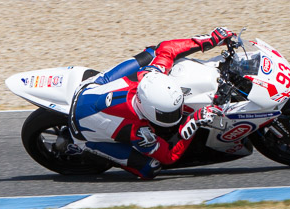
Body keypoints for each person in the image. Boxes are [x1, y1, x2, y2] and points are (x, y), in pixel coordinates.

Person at [68, 27, 237, 179]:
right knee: (151, 168)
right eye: (169, 114)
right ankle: (87, 149)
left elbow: (167, 49)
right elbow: (168, 157)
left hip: (92, 88)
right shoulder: (139, 132)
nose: (176, 116)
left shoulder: (150, 74)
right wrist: (191, 121)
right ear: (148, 110)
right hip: (83, 131)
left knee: (152, 52)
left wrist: (210, 40)